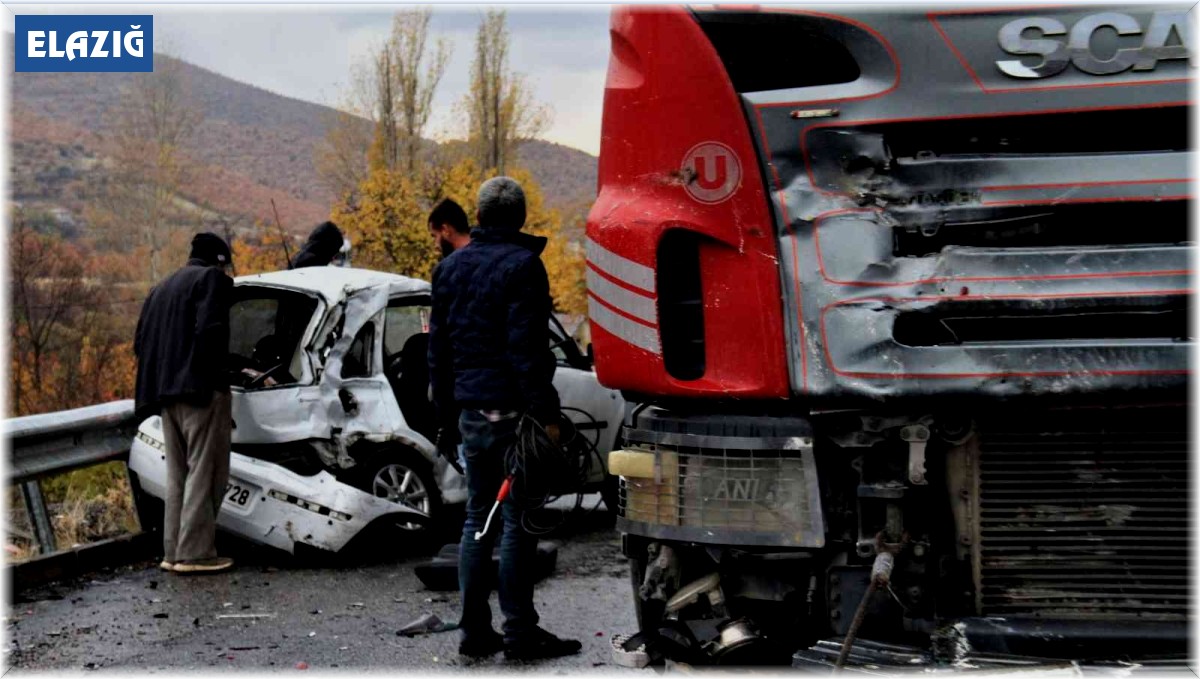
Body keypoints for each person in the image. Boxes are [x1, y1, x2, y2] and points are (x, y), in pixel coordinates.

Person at [428, 177, 581, 661]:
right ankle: (520, 633)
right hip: (516, 417)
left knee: (477, 518)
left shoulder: (449, 269)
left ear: (478, 215)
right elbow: (527, 351)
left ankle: (474, 632)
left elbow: (438, 351)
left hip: (471, 412)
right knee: (516, 522)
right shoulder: (524, 266)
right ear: (519, 218)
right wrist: (547, 414)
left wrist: (445, 416)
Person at [133, 233, 236, 575]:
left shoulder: (160, 289)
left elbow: (140, 343)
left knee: (178, 475)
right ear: (219, 260)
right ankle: (196, 554)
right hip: (201, 392)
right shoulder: (211, 280)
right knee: (206, 474)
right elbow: (212, 332)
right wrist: (221, 375)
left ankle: (172, 552)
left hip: (165, 395)